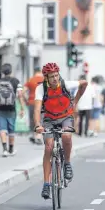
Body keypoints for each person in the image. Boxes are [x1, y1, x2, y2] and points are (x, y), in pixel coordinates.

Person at [34, 63, 88, 199]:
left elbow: (84, 83)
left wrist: (75, 101)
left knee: (66, 136)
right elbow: (36, 109)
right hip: (49, 119)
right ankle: (46, 184)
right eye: (51, 77)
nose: (55, 79)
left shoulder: (67, 84)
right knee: (49, 147)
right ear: (46, 78)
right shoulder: (41, 89)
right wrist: (37, 125)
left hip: (65, 116)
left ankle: (67, 163)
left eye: (56, 75)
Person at [0, 63, 25, 157]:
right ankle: (11, 149)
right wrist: (22, 108)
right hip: (11, 108)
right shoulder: (16, 81)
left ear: (2, 72)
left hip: (0, 108)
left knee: (2, 129)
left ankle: (4, 149)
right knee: (11, 129)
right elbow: (20, 94)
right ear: (11, 71)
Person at [23, 67, 44, 144]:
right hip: (41, 102)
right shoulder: (45, 80)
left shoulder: (30, 80)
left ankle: (32, 135)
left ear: (34, 71)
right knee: (40, 119)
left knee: (32, 119)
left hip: (31, 102)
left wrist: (26, 100)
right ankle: (38, 136)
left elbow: (23, 91)